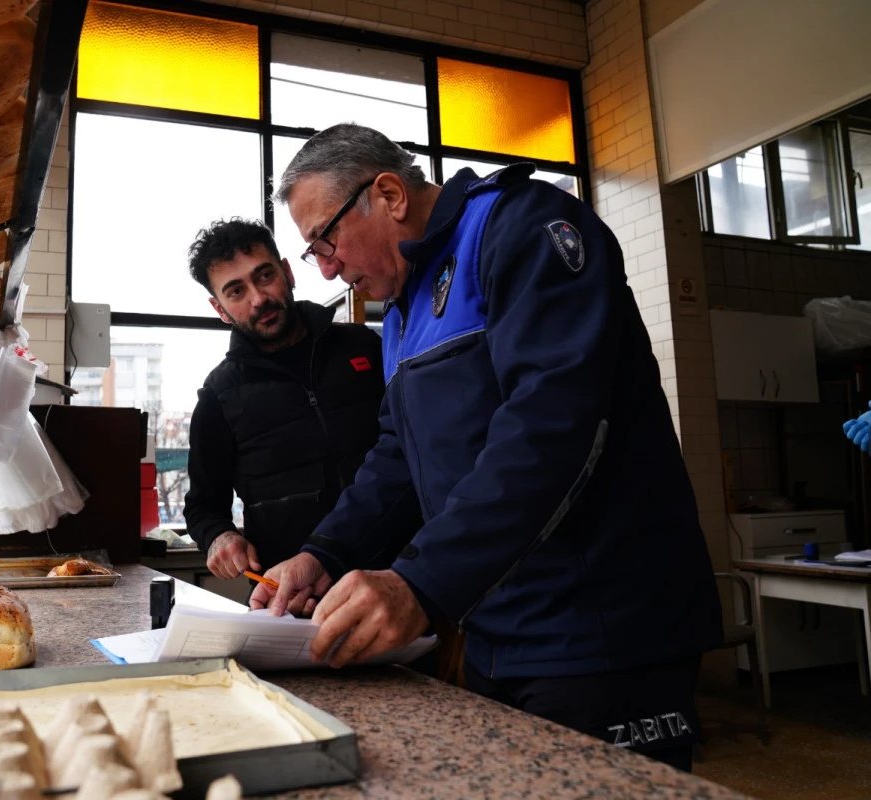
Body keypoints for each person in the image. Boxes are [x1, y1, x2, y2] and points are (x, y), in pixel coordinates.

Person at [252, 124, 724, 771]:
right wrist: (323, 552)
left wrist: (419, 581)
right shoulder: (401, 312)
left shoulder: (524, 230)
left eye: (324, 239)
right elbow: (398, 456)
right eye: (315, 253)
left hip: (601, 624)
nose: (328, 267)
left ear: (387, 193)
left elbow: (553, 426)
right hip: (499, 627)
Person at [183, 218, 416, 582]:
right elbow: (202, 506)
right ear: (220, 309)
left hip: (402, 579)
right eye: (236, 291)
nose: (258, 299)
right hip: (292, 598)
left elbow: (416, 447)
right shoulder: (218, 395)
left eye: (264, 276)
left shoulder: (366, 347)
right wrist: (218, 536)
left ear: (288, 272)